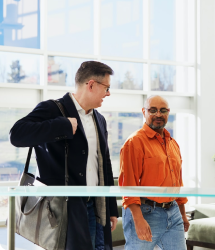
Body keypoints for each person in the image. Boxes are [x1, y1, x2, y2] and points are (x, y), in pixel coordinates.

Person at [10, 61, 118, 250]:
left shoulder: (99, 119)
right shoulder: (52, 109)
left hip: (94, 206)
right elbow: (17, 135)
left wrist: (110, 209)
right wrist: (62, 125)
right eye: (106, 88)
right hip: (63, 209)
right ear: (91, 85)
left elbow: (104, 164)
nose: (108, 93)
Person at [119, 95, 190, 250]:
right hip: (145, 212)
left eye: (163, 110)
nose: (158, 114)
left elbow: (177, 182)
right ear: (144, 112)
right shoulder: (134, 142)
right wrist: (138, 220)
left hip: (173, 212)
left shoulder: (173, 143)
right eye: (153, 110)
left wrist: (182, 213)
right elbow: (128, 185)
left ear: (168, 113)